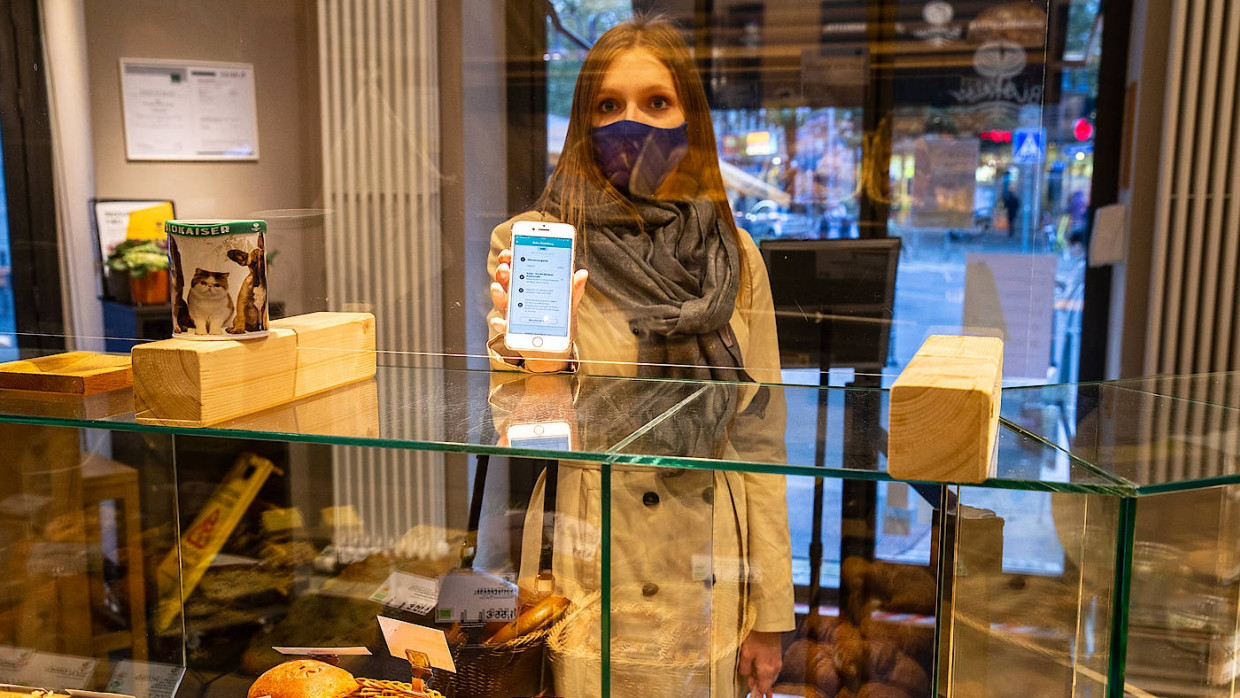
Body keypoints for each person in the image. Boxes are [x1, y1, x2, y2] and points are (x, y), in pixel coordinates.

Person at [486, 15, 793, 698]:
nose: (632, 124)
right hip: (591, 552)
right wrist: (544, 367)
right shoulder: (534, 241)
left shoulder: (735, 259)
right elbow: (511, 426)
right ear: (583, 121)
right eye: (609, 105)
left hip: (708, 557)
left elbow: (762, 442)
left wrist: (771, 614)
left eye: (656, 103)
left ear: (690, 119)